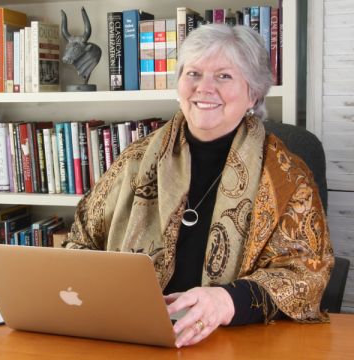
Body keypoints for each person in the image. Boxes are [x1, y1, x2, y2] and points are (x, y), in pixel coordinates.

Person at [64, 24, 334, 348]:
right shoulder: (135, 160)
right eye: (193, 73)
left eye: (223, 76)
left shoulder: (287, 177)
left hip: (234, 344)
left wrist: (226, 301)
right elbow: (80, 241)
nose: (203, 88)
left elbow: (307, 274)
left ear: (254, 93)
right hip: (131, 337)